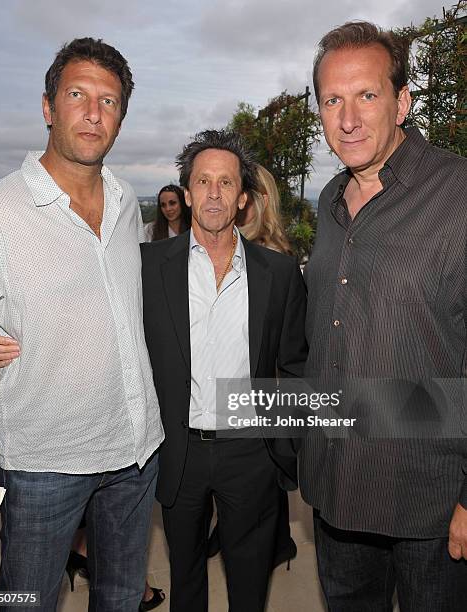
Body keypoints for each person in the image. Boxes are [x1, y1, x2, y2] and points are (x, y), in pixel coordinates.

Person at [0, 38, 163, 611]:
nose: (92, 113)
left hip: (136, 453)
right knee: (26, 603)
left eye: (109, 102)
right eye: (77, 95)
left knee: (121, 598)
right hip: (44, 465)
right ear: (47, 106)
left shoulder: (128, 200)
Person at [299, 21, 467, 611]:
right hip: (337, 492)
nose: (347, 119)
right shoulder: (328, 202)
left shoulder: (457, 194)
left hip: (429, 503)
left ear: (403, 102)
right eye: (332, 100)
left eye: (367, 95)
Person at [140, 129, 306, 612]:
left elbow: (295, 365)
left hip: (250, 453)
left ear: (242, 200)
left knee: (249, 584)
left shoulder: (278, 273)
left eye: (226, 183)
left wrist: (284, 444)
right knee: (185, 579)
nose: (214, 193)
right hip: (179, 451)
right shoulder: (148, 265)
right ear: (187, 194)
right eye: (204, 182)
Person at [207, 163, 296, 567]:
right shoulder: (226, 249)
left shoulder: (272, 259)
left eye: (234, 188)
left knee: (262, 485)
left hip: (263, 394)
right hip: (229, 390)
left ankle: (269, 543)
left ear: (254, 200)